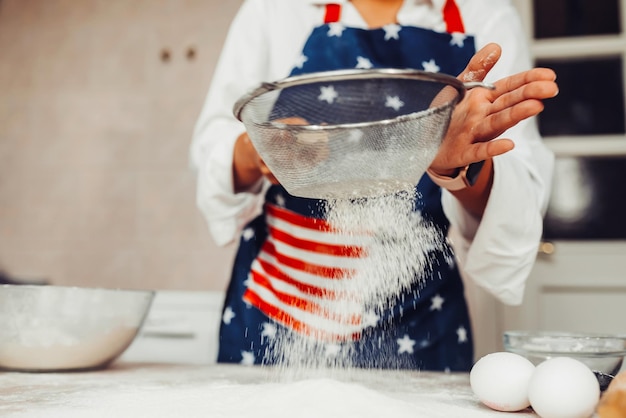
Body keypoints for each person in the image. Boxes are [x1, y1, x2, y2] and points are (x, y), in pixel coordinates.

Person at [190, 0, 558, 371]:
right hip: (279, 313)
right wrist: (261, 149)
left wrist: (463, 163)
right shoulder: (274, 9)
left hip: (421, 323)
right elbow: (212, 152)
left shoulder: (485, 13)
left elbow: (514, 207)